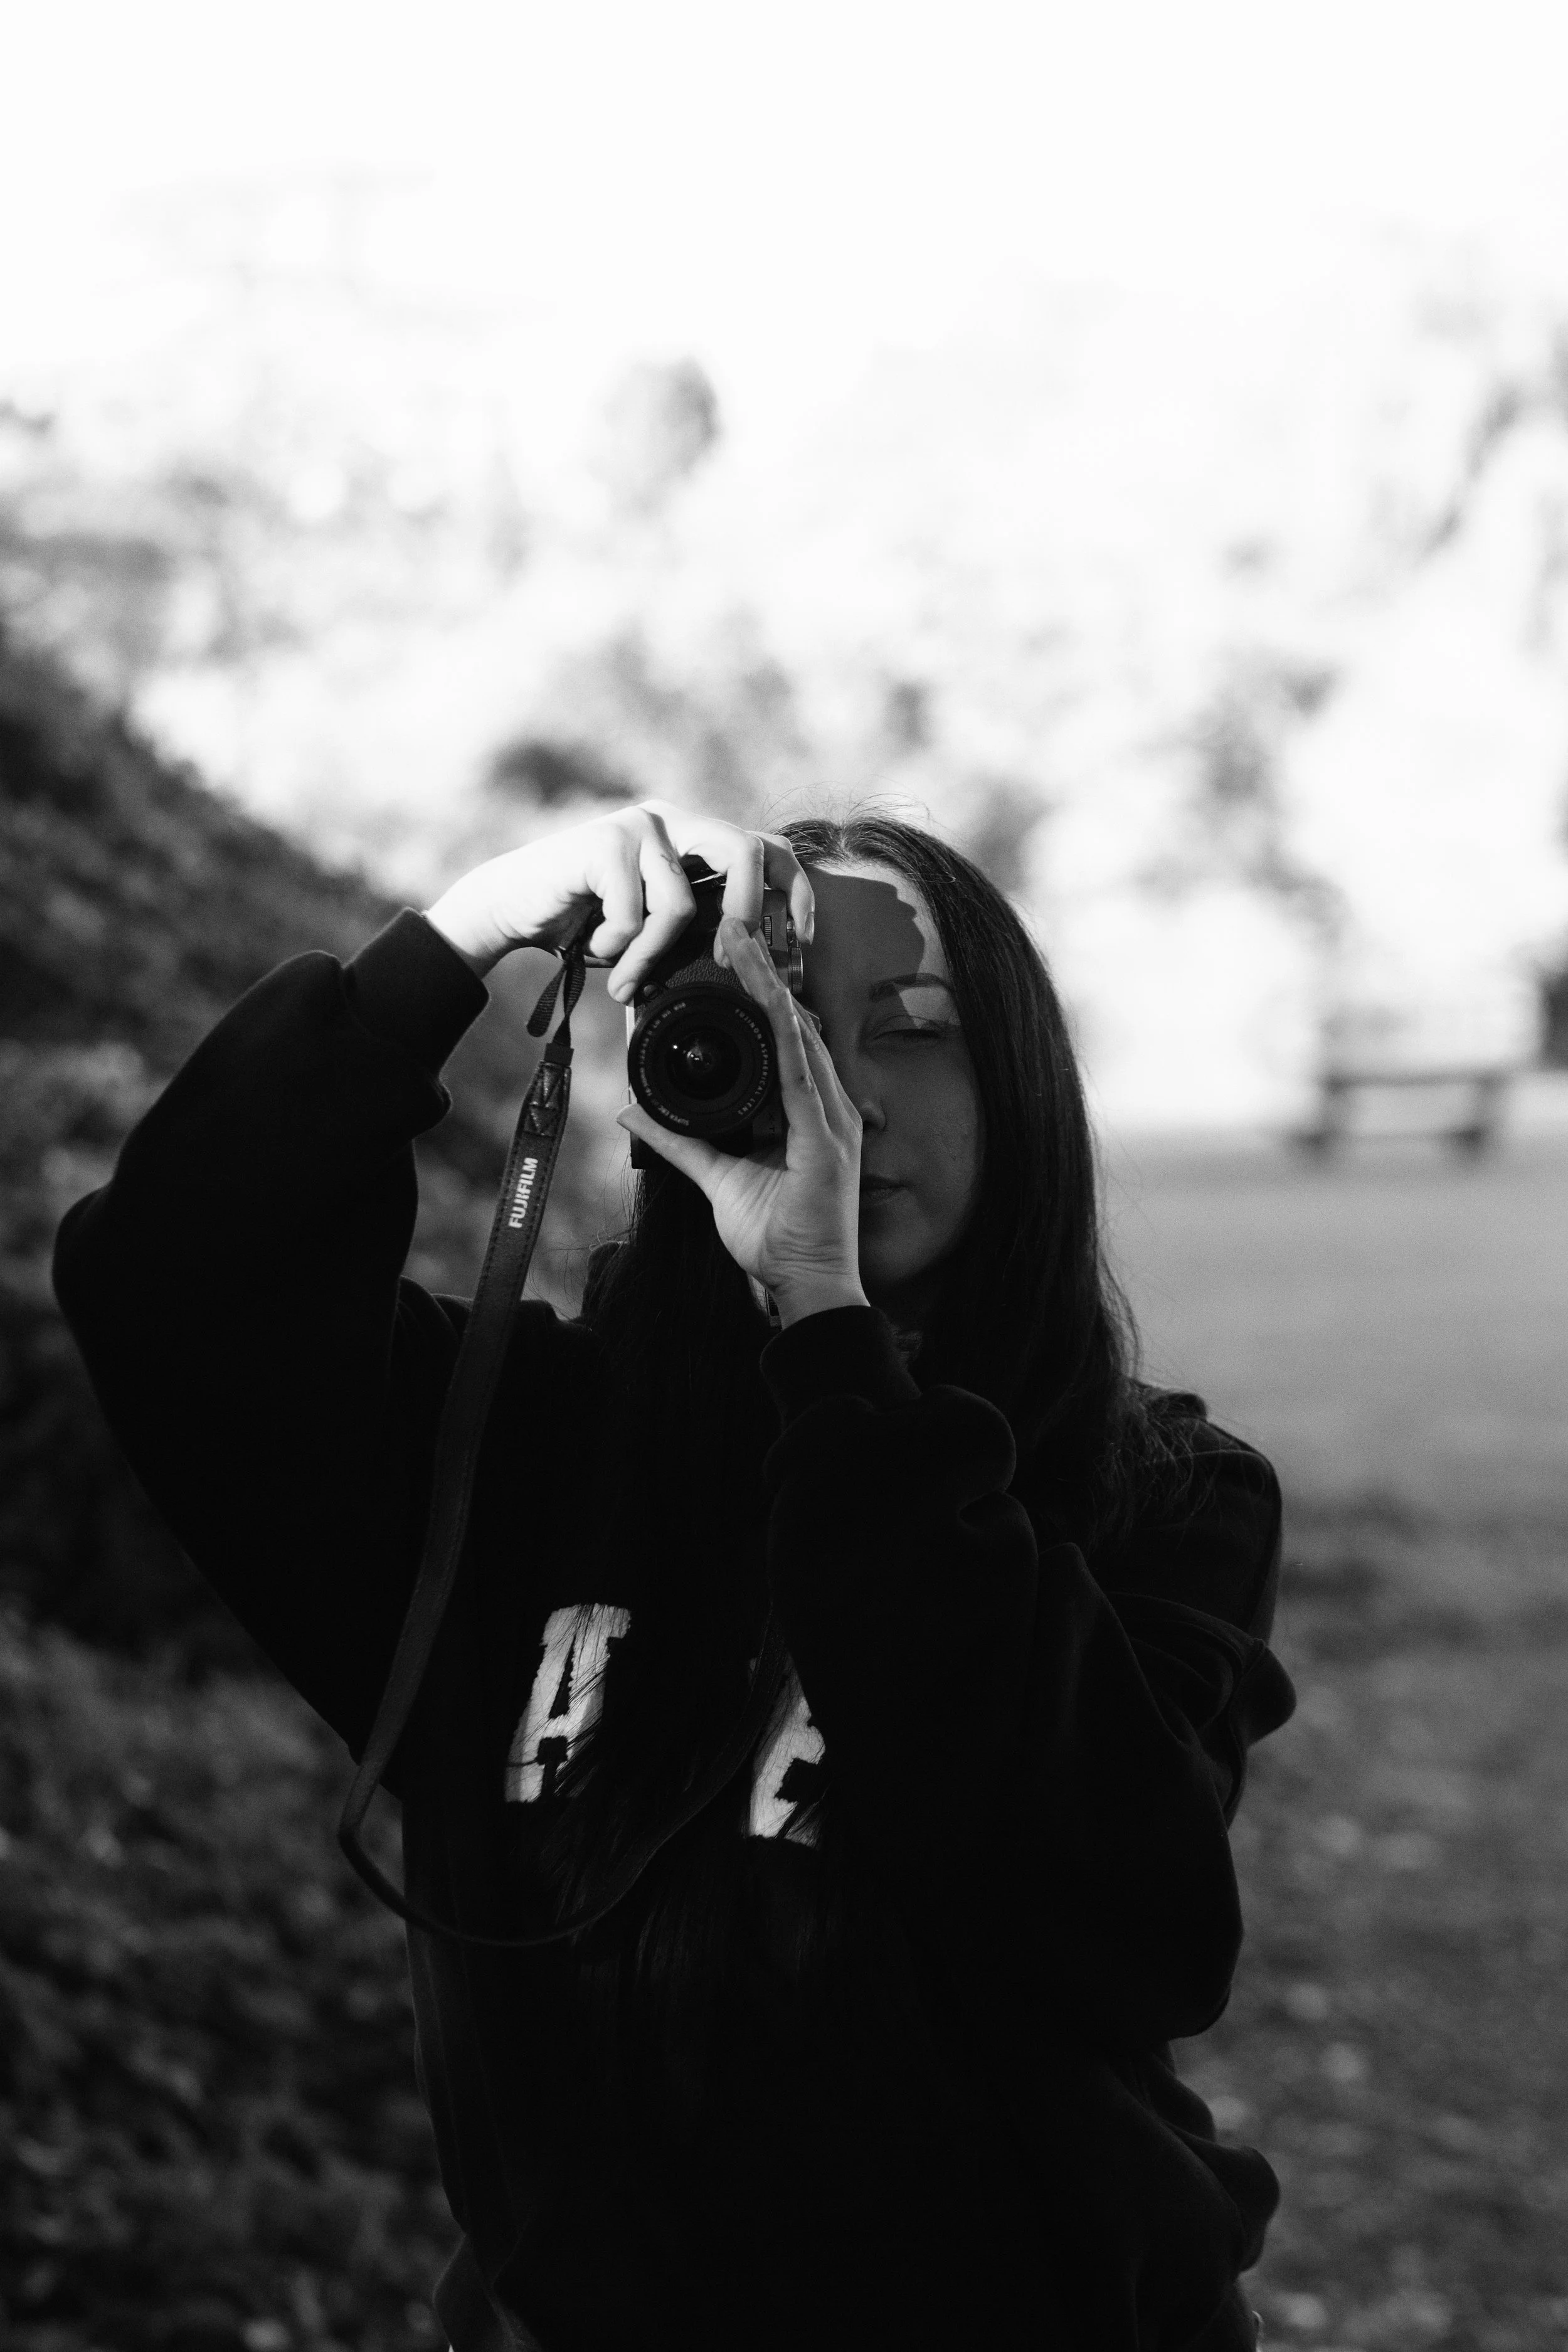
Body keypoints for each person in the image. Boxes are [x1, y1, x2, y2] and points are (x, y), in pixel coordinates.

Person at [53, 798, 1296, 2352]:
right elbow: (173, 1283)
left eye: (907, 1027)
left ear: (1027, 1084)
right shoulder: (509, 1458)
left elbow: (1127, 1922)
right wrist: (462, 932)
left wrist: (827, 1336)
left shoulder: (1154, 1498)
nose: (838, 1089)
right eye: (762, 1026)